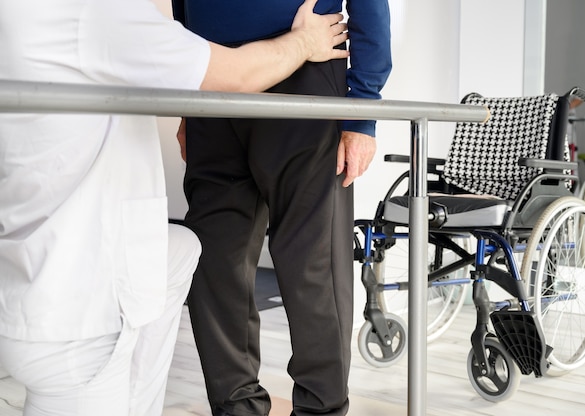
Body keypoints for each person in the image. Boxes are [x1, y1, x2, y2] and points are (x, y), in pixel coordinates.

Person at [0, 0, 348, 415]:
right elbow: (236, 74)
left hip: (24, 290)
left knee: (184, 249)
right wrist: (306, 40)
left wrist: (361, 117)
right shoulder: (92, 12)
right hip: (82, 325)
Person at [171, 0, 392, 415]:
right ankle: (236, 407)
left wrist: (362, 110)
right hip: (216, 77)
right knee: (214, 260)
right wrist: (188, 100)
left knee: (312, 261)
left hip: (306, 71)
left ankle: (320, 408)